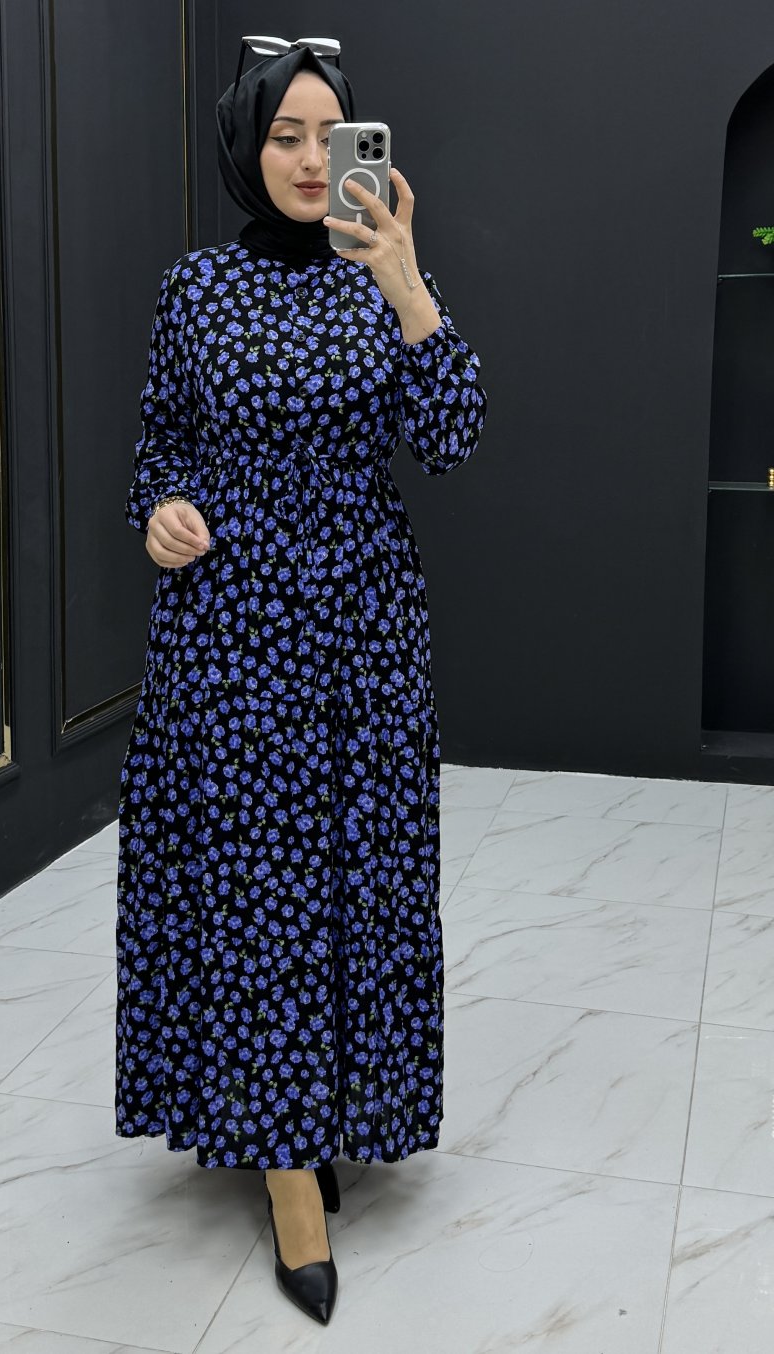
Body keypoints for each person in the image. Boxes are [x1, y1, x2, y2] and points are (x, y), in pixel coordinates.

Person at [114, 38, 488, 1326]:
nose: (313, 158)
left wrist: (407, 279)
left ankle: (326, 1107)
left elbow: (453, 434)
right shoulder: (196, 288)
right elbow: (160, 445)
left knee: (354, 873)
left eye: (334, 136)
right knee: (258, 888)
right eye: (287, 135)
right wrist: (162, 511)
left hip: (363, 633)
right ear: (247, 146)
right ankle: (288, 1175)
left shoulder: (383, 274)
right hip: (230, 636)